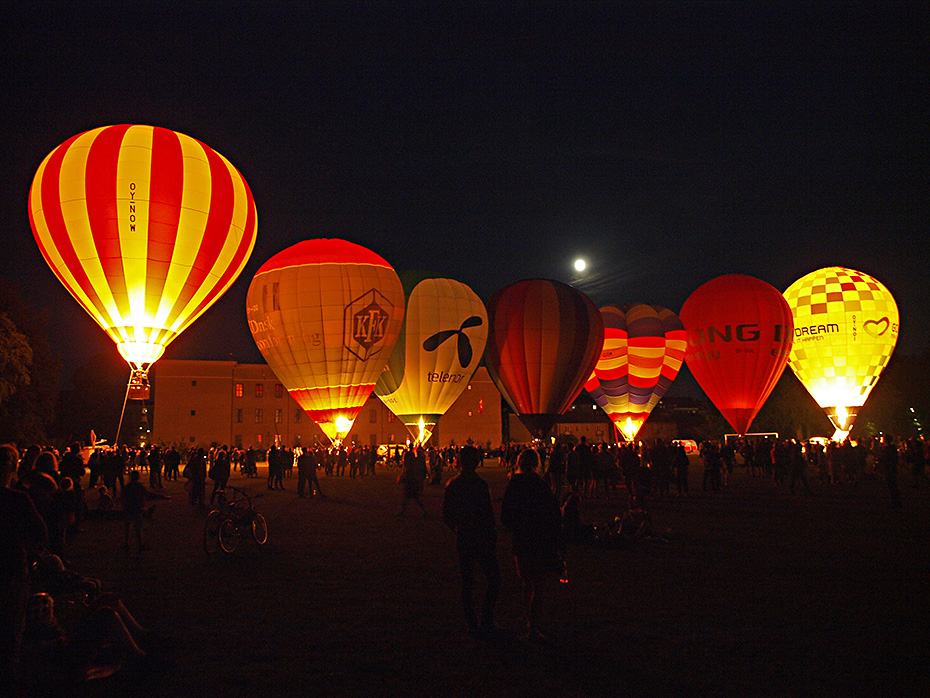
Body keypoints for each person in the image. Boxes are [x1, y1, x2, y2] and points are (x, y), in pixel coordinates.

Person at [501, 448, 564, 643]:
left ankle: (530, 624)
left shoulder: (515, 484)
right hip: (539, 539)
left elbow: (506, 516)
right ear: (537, 463)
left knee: (526, 582)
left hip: (522, 540)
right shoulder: (540, 485)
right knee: (539, 584)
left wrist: (518, 525)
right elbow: (554, 512)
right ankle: (534, 626)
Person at [1, 444, 49, 688]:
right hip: (11, 569)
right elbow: (41, 532)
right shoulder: (18, 500)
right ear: (12, 468)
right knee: (10, 629)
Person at [442, 446, 501, 639]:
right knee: (494, 578)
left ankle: (472, 623)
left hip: (465, 536)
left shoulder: (453, 485)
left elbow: (447, 515)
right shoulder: (480, 485)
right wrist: (492, 534)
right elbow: (487, 513)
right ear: (476, 462)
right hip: (482, 536)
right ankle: (487, 619)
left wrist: (458, 528)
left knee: (467, 581)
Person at [398, 445, 428, 516]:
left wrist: (403, 476)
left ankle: (403, 511)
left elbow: (406, 468)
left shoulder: (409, 458)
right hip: (413, 480)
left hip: (410, 481)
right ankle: (424, 511)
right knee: (414, 498)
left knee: (408, 497)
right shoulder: (414, 458)